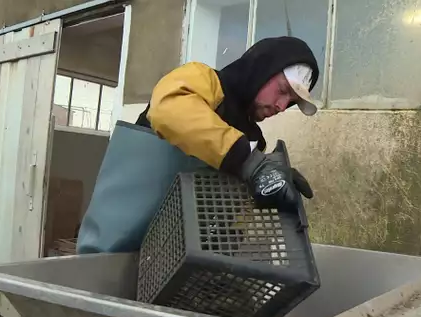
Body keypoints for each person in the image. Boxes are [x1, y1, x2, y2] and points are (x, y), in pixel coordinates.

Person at [76, 36, 320, 254]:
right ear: (262, 69)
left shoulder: (251, 140)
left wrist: (270, 180)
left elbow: (233, 216)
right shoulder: (202, 80)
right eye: (282, 90)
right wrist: (248, 161)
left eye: (290, 101)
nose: (280, 106)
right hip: (114, 251)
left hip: (170, 264)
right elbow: (168, 110)